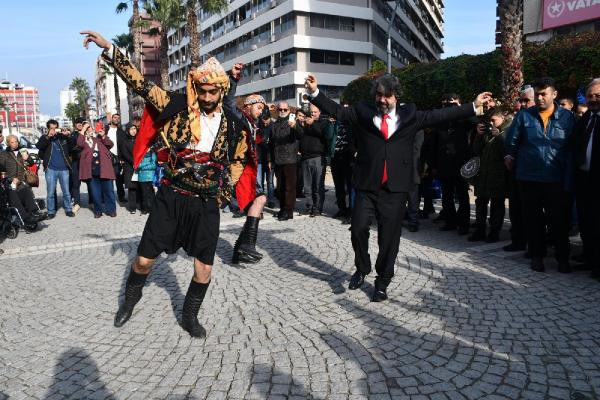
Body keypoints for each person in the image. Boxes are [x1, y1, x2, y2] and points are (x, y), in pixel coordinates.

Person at [82, 30, 249, 338]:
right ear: (196, 87)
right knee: (144, 261)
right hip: (171, 198)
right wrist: (110, 49)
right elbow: (142, 85)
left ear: (222, 91)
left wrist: (223, 194)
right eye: (203, 91)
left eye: (214, 92)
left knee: (204, 269)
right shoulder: (176, 106)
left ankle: (189, 315)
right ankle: (130, 300)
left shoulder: (235, 125)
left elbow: (239, 161)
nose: (208, 97)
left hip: (206, 203)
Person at [305, 73, 492, 301]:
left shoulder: (410, 114)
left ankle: (382, 281)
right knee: (358, 228)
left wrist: (472, 106)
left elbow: (440, 115)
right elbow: (338, 111)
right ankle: (362, 268)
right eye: (379, 95)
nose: (382, 100)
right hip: (367, 185)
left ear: (396, 96)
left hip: (395, 188)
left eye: (387, 96)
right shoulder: (363, 111)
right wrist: (315, 92)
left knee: (389, 238)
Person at [505, 77, 575, 273]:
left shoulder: (568, 118)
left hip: (556, 179)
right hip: (529, 178)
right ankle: (537, 256)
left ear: (554, 94)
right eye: (537, 94)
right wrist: (509, 155)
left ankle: (563, 258)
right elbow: (512, 141)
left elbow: (572, 149)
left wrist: (568, 179)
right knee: (533, 221)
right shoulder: (524, 116)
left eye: (544, 94)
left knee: (559, 222)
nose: (540, 98)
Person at [223, 63, 267, 264]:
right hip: (236, 169)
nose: (262, 110)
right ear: (249, 105)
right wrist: (233, 79)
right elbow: (228, 101)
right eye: (259, 106)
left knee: (258, 202)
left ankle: (241, 250)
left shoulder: (255, 124)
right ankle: (246, 246)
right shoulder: (239, 116)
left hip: (247, 170)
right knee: (259, 201)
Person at [431, 93, 475, 235]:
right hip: (444, 164)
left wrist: (461, 109)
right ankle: (450, 222)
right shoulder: (442, 122)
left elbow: (474, 121)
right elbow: (435, 143)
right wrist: (434, 165)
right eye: (448, 105)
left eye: (454, 104)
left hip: (461, 164)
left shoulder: (464, 120)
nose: (451, 107)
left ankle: (464, 224)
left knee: (462, 195)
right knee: (447, 196)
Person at [572, 78, 600, 280]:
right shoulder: (586, 118)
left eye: (598, 95)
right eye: (590, 96)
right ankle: (589, 257)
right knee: (586, 221)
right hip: (583, 178)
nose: (593, 99)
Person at [503, 85, 535, 253]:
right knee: (515, 208)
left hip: (534, 173)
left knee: (531, 211)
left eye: (526, 101)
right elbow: (510, 140)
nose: (523, 104)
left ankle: (534, 245)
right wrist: (508, 155)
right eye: (521, 101)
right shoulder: (519, 117)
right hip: (516, 170)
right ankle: (518, 241)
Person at [469, 110, 508, 243]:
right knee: (480, 203)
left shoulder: (508, 130)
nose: (491, 124)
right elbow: (476, 150)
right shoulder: (486, 131)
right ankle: (480, 230)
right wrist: (479, 135)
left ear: (502, 118)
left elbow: (507, 152)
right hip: (483, 175)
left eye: (494, 120)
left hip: (498, 176)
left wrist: (500, 137)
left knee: (497, 205)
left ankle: (494, 232)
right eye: (489, 121)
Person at [0, 135, 47, 224]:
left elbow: (31, 163)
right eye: (12, 142)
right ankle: (25, 217)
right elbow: (2, 169)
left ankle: (34, 212)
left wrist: (27, 158)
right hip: (10, 181)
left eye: (16, 141)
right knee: (13, 194)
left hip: (22, 180)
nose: (15, 144)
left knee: (26, 190)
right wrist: (11, 179)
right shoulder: (4, 154)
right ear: (8, 143)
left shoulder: (22, 150)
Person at [36, 119, 75, 219]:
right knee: (50, 192)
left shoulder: (63, 137)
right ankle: (51, 211)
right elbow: (39, 146)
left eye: (55, 128)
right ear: (48, 129)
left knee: (66, 191)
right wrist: (48, 137)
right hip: (51, 169)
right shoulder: (45, 138)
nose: (53, 130)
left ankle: (68, 209)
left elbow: (73, 148)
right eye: (51, 128)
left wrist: (68, 136)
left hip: (64, 169)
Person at [77, 122, 117, 218]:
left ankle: (111, 210)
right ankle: (98, 211)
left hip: (104, 168)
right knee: (95, 193)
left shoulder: (99, 138)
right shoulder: (84, 140)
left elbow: (110, 144)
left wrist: (103, 136)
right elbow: (79, 143)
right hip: (92, 170)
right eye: (87, 128)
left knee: (109, 191)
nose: (90, 129)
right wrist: (83, 129)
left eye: (90, 127)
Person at [296, 104, 329, 217]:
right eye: (311, 112)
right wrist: (297, 126)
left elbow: (323, 134)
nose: (312, 114)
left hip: (318, 157)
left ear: (319, 112)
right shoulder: (305, 123)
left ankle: (317, 208)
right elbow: (300, 136)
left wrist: (313, 123)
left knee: (317, 186)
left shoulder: (323, 123)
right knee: (307, 186)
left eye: (315, 112)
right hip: (305, 158)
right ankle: (309, 206)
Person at [269, 102, 299, 221]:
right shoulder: (274, 124)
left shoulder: (293, 123)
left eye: (285, 109)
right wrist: (270, 159)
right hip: (278, 159)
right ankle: (282, 209)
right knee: (280, 187)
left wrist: (295, 127)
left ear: (289, 110)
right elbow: (271, 143)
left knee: (289, 187)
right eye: (280, 109)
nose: (282, 111)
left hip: (290, 159)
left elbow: (300, 134)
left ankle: (289, 211)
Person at [329, 110, 355, 220]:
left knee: (350, 187)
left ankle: (351, 211)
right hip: (335, 157)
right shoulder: (334, 124)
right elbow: (329, 137)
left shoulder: (352, 125)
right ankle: (342, 208)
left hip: (348, 159)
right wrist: (331, 124)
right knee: (338, 186)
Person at [105, 113, 127, 203]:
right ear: (111, 119)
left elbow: (123, 146)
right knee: (107, 178)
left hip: (117, 158)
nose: (117, 119)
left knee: (118, 178)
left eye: (118, 118)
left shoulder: (121, 131)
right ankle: (107, 197)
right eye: (115, 117)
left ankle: (121, 197)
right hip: (106, 157)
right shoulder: (106, 129)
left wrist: (122, 158)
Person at [118, 124, 139, 214]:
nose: (133, 131)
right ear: (127, 130)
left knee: (141, 187)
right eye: (131, 129)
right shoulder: (124, 141)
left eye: (134, 129)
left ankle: (141, 204)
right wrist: (135, 162)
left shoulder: (139, 140)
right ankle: (132, 207)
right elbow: (125, 154)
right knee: (132, 188)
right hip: (129, 167)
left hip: (140, 166)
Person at [134, 148, 157, 215]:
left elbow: (153, 165)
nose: (147, 149)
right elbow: (137, 165)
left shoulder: (152, 154)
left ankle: (152, 208)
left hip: (150, 177)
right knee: (143, 193)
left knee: (151, 194)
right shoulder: (140, 154)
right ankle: (144, 209)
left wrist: (143, 167)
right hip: (142, 177)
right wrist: (147, 165)